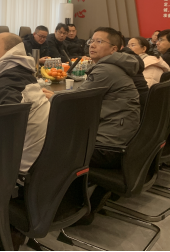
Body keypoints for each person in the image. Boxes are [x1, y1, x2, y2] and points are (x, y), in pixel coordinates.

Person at [43, 27, 140, 169]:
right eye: (91, 41)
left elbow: (78, 102)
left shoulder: (106, 70)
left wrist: (53, 97)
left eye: (99, 41)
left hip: (106, 147)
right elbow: (81, 95)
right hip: (118, 139)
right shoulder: (113, 66)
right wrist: (55, 95)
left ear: (113, 49)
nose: (92, 45)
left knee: (47, 143)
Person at [0, 33, 49, 173]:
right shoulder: (18, 74)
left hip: (18, 170)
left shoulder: (9, 81)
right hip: (41, 163)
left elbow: (5, 129)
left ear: (11, 52)